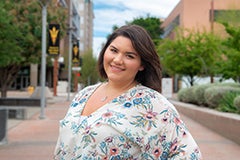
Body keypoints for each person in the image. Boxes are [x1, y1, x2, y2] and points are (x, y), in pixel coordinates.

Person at [54, 24, 202, 159]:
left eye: (129, 56)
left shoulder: (153, 104)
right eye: (113, 50)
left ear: (142, 64)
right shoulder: (83, 95)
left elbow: (189, 154)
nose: (118, 60)